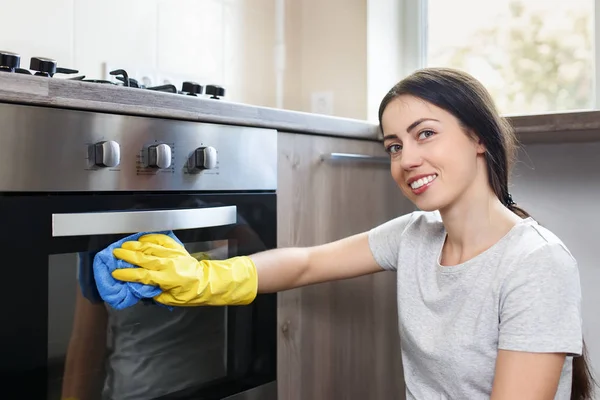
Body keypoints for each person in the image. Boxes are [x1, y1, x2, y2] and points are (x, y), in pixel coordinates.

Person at [110, 68, 596, 399]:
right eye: (393, 145)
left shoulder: (535, 265)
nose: (407, 160)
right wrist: (205, 276)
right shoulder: (416, 235)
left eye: (425, 134)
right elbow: (305, 262)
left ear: (478, 139)